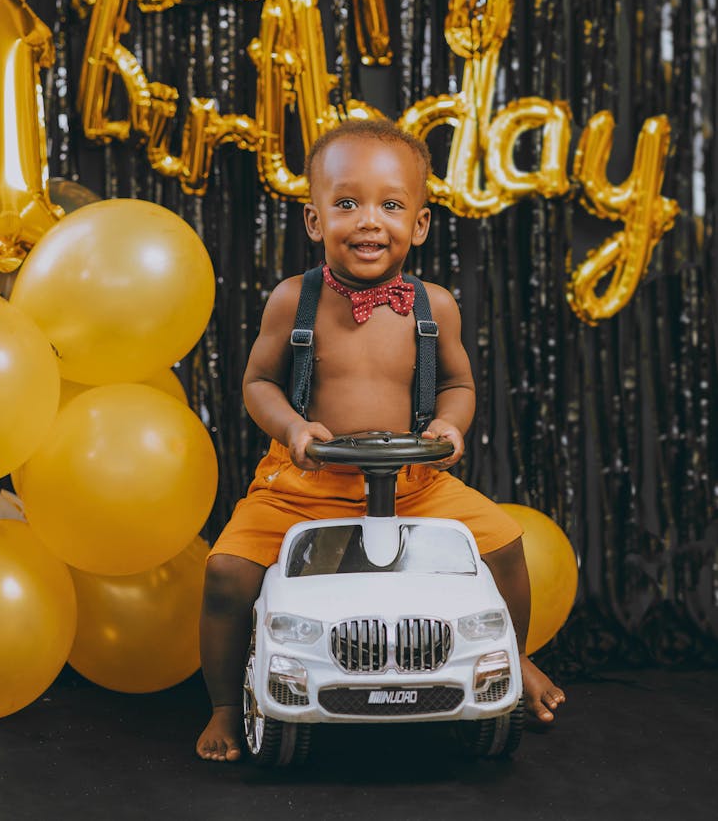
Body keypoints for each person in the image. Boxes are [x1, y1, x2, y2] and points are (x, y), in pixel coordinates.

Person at [196, 118, 565, 761]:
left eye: (391, 205)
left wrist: (450, 424)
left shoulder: (434, 306)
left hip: (414, 483)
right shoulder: (293, 301)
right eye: (346, 203)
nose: (369, 221)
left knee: (505, 543)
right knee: (227, 573)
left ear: (419, 224)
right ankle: (228, 703)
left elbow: (458, 385)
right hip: (303, 484)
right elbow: (258, 382)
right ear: (315, 221)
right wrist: (292, 426)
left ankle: (517, 657)